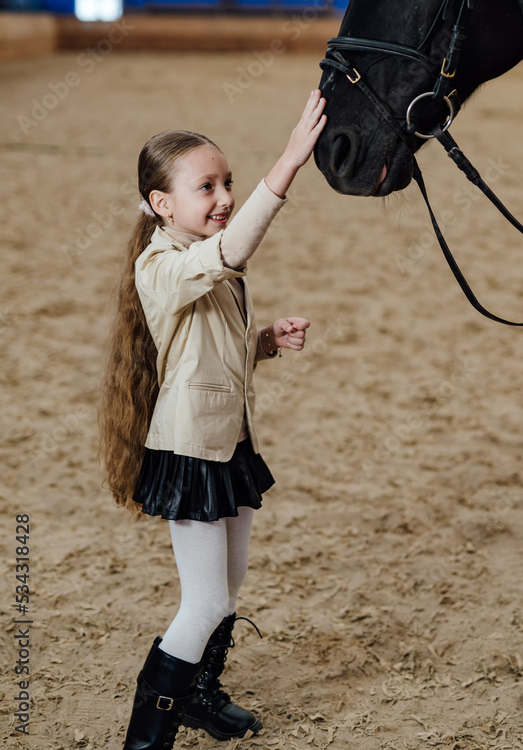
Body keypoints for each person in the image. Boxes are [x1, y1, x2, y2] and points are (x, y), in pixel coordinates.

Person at [99, 90, 327, 749]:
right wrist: (284, 166)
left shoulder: (202, 259)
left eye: (228, 183)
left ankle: (199, 695)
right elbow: (229, 250)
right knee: (201, 604)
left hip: (229, 442)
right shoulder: (162, 265)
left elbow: (207, 352)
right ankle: (145, 741)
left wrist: (261, 342)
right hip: (192, 453)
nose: (223, 196)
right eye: (207, 186)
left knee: (226, 593)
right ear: (163, 204)